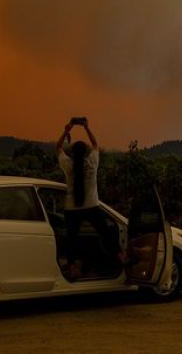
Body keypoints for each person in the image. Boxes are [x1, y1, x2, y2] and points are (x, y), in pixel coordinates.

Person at [56, 118, 114, 279]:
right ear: (86, 152)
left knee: (71, 240)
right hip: (91, 207)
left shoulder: (68, 165)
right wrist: (87, 128)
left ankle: (73, 268)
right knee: (106, 233)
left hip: (72, 209)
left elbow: (58, 147)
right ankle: (121, 257)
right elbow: (96, 145)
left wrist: (67, 130)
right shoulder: (92, 163)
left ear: (72, 153)